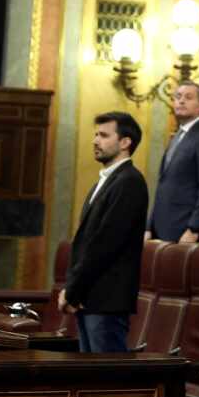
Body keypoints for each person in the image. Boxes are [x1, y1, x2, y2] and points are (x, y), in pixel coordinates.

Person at [60, 112, 149, 353]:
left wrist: (72, 289)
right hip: (90, 298)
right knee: (90, 381)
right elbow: (86, 241)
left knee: (107, 381)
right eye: (95, 135)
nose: (95, 141)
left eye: (103, 135)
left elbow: (104, 244)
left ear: (125, 142)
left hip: (107, 300)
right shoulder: (106, 181)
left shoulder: (129, 181)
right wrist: (75, 289)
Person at [147, 81, 199, 242]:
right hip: (160, 231)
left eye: (188, 97)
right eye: (178, 97)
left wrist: (194, 228)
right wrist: (149, 226)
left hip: (185, 232)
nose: (181, 101)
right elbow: (164, 185)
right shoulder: (177, 136)